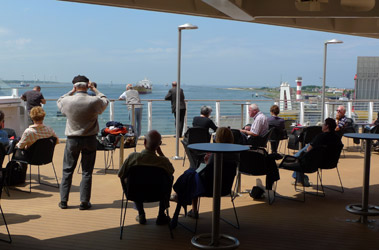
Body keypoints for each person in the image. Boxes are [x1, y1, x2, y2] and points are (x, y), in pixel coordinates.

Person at [57, 75, 109, 210]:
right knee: (87, 172)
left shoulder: (68, 101)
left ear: (75, 86)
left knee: (67, 171)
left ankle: (63, 201)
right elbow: (105, 100)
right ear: (87, 85)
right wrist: (95, 89)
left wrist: (72, 91)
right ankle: (84, 202)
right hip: (90, 138)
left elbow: (59, 101)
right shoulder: (93, 101)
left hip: (72, 140)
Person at [171, 127, 238, 228]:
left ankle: (184, 202)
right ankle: (181, 198)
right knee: (191, 176)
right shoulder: (235, 155)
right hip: (225, 188)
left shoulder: (216, 154)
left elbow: (208, 172)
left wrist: (207, 162)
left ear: (217, 138)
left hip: (207, 189)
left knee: (190, 175)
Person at [118, 130, 174, 225]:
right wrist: (161, 154)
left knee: (135, 181)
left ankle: (141, 214)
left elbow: (120, 174)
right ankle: (161, 215)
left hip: (135, 193)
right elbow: (171, 171)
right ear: (159, 145)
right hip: (158, 193)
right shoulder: (163, 161)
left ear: (144, 142)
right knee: (169, 178)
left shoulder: (133, 157)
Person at [292, 118, 343, 186]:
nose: (322, 125)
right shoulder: (337, 138)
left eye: (323, 124)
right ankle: (300, 177)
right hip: (331, 162)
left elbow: (309, 150)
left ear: (327, 126)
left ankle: (300, 178)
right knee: (310, 146)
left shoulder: (321, 136)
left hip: (316, 162)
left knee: (300, 156)